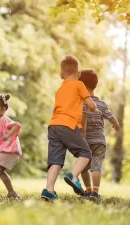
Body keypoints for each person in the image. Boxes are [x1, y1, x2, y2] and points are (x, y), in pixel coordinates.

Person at [40, 54, 98, 201]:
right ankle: (74, 176)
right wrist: (95, 109)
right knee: (85, 153)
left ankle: (49, 190)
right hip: (69, 124)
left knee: (55, 161)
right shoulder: (79, 84)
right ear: (79, 74)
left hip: (53, 126)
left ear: (61, 75)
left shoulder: (60, 89)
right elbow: (91, 105)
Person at [79, 70, 120, 200]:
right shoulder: (101, 104)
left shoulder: (82, 104)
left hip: (86, 141)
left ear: (83, 86)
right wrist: (116, 125)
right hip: (100, 142)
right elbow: (111, 117)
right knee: (96, 166)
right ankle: (95, 193)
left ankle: (88, 191)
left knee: (83, 168)